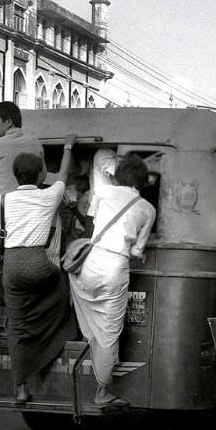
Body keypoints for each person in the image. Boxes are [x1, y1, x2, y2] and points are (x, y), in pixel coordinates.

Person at [0, 136, 78, 403]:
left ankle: (21, 387)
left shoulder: (2, 201)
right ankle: (53, 347)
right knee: (60, 296)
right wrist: (68, 147)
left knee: (18, 326)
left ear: (15, 175)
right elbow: (65, 173)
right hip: (40, 266)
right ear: (39, 176)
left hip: (12, 267)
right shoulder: (49, 195)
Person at [69, 153, 156, 406]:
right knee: (109, 332)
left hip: (90, 264)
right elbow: (136, 252)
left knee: (93, 322)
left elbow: (92, 224)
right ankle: (102, 392)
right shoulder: (147, 209)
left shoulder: (103, 194)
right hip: (115, 268)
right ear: (142, 181)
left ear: (118, 175)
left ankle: (89, 347)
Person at [0, 101, 45, 203]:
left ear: (9, 122)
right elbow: (42, 176)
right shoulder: (36, 142)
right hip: (29, 201)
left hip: (0, 201)